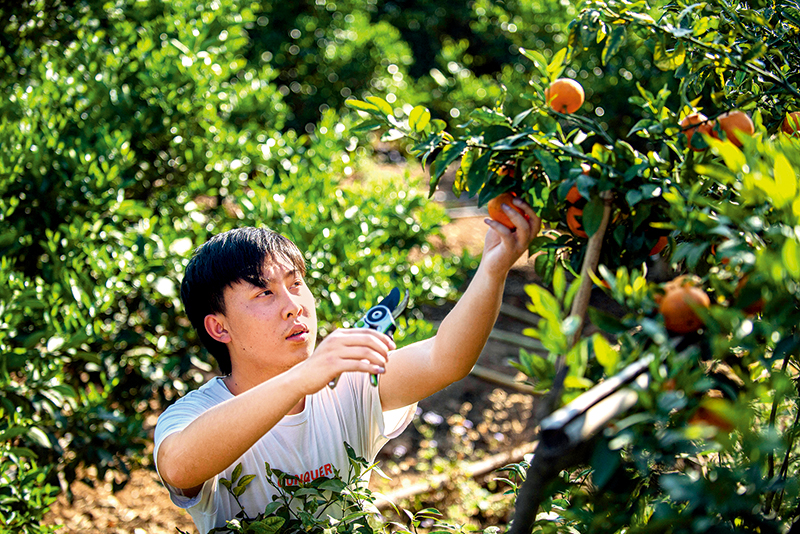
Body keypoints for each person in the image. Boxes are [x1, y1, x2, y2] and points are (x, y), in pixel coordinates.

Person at [154, 198, 540, 533]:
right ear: (219, 327)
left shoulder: (349, 382)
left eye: (296, 283)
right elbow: (179, 467)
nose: (294, 305)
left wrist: (493, 269)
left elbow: (445, 359)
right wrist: (300, 380)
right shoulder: (196, 414)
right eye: (264, 293)